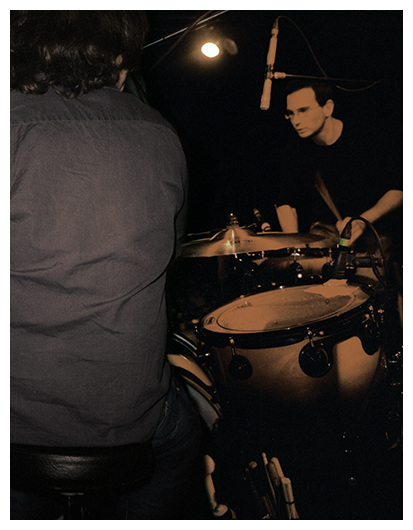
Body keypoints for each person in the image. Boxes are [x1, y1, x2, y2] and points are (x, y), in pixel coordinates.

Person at [10, 11, 201, 519]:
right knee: (186, 439)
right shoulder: (161, 134)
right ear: (119, 60)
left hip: (16, 426)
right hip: (132, 420)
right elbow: (169, 258)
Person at [276, 79, 403, 258]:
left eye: (303, 111)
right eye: (291, 113)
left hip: (371, 229)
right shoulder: (296, 150)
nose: (296, 121)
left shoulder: (365, 138)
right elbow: (285, 203)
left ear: (328, 108)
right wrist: (295, 245)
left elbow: (398, 191)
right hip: (324, 234)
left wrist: (362, 221)